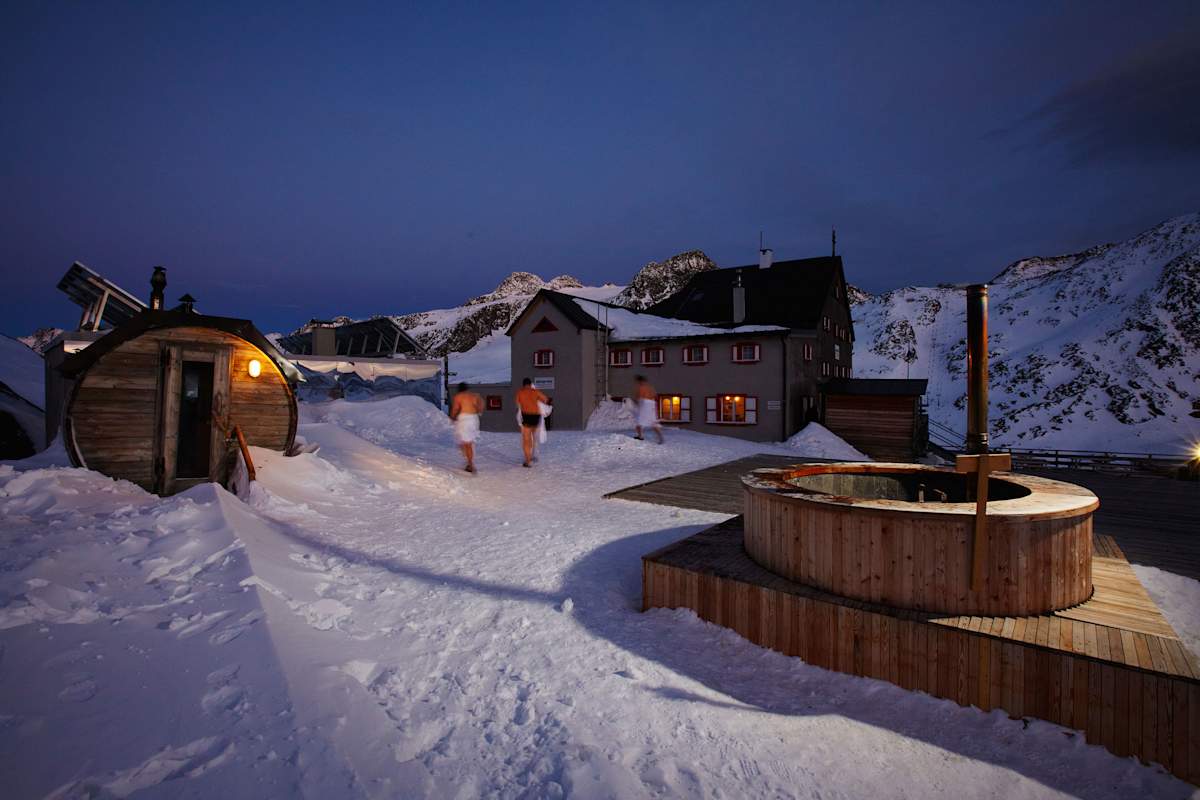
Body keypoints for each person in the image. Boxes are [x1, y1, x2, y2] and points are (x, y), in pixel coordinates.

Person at [449, 382, 484, 473]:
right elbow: (481, 405)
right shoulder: (474, 396)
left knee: (465, 443)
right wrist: (479, 412)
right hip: (474, 419)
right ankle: (469, 462)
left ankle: (470, 464)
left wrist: (452, 417)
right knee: (468, 442)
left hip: (464, 419)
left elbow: (455, 409)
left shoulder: (459, 396)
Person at [515, 377, 549, 467]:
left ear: (523, 385)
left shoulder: (520, 392)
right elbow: (545, 399)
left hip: (526, 416)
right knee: (534, 437)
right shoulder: (535, 391)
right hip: (536, 416)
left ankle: (528, 461)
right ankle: (533, 454)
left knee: (526, 439)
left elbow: (517, 404)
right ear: (530, 384)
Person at [633, 374, 664, 444]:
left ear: (639, 381)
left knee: (639, 420)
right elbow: (655, 395)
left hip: (645, 403)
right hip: (652, 403)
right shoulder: (650, 387)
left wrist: (637, 403)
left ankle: (640, 436)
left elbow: (639, 397)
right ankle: (660, 437)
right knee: (653, 421)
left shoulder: (641, 387)